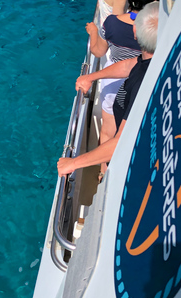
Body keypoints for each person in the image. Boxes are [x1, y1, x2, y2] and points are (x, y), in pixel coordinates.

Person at [58, 1, 159, 177]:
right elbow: (127, 66)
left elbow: (121, 141)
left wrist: (72, 163)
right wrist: (90, 77)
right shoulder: (148, 60)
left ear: (135, 34)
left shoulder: (142, 82)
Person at [85, 0, 155, 179]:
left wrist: (93, 32)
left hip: (112, 80)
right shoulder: (156, 27)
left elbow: (98, 51)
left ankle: (103, 171)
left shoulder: (111, 22)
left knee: (108, 130)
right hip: (138, 78)